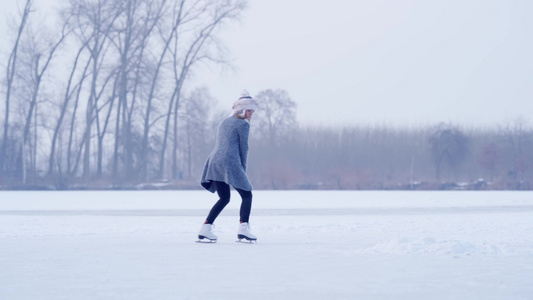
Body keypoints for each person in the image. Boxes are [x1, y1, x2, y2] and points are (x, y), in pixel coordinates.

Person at [198, 90, 258, 243]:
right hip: (229, 162)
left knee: (224, 198)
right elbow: (244, 148)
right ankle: (243, 229)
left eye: (252, 111)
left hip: (214, 161)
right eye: (249, 110)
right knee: (247, 194)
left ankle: (205, 228)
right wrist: (242, 170)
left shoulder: (224, 121)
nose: (251, 114)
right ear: (241, 110)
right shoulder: (243, 125)